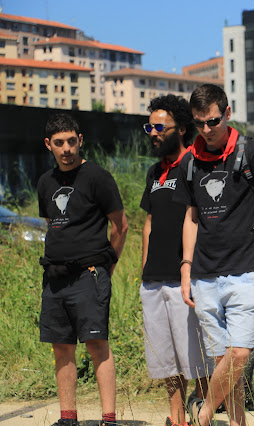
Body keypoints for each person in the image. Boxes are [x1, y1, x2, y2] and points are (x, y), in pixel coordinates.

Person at [174, 84, 254, 426]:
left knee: (239, 354)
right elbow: (191, 217)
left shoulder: (253, 152)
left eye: (213, 121)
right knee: (222, 360)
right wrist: (186, 267)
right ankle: (237, 422)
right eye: (199, 123)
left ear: (228, 113)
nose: (207, 129)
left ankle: (204, 414)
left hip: (246, 270)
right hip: (204, 273)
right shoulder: (189, 161)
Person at [37, 113, 128, 426]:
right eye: (59, 143)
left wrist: (107, 266)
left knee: (96, 345)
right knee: (61, 347)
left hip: (89, 274)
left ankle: (109, 419)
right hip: (54, 279)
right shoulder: (45, 182)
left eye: (71, 141)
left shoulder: (97, 177)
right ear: (49, 144)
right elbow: (53, 226)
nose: (66, 149)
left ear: (80, 141)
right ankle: (67, 418)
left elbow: (121, 226)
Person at [139, 94, 214, 426]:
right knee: (165, 358)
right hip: (154, 279)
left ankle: (203, 412)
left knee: (194, 355)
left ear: (181, 128)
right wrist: (143, 269)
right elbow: (149, 222)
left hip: (187, 278)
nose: (153, 133)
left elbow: (201, 219)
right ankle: (177, 416)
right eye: (150, 127)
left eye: (160, 126)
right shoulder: (155, 172)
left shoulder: (195, 165)